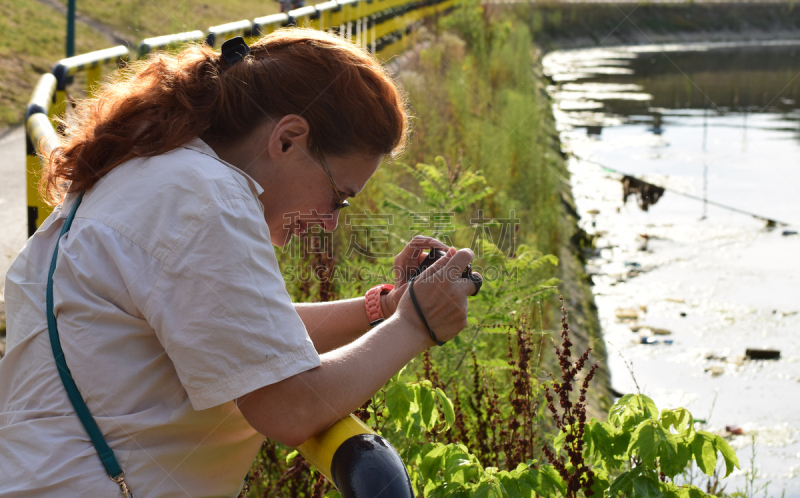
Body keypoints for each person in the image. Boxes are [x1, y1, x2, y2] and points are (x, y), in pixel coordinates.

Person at [0, 29, 477, 496]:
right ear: (288, 139)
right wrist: (416, 325)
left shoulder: (153, 165)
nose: (330, 223)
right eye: (338, 197)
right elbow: (288, 407)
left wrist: (386, 308)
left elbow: (244, 332)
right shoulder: (207, 201)